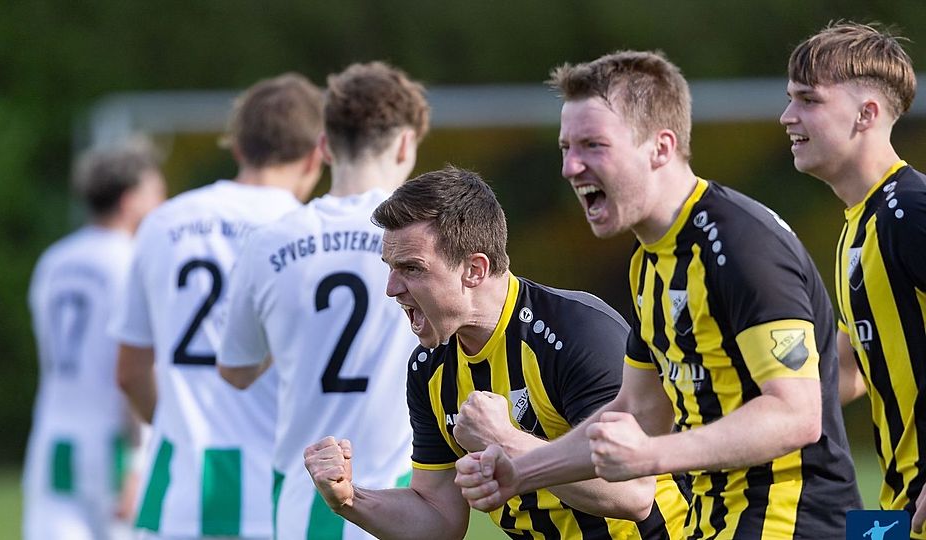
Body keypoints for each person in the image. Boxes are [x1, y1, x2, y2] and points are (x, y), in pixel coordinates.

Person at [455, 50, 863, 538]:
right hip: (713, 524)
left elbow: (795, 415)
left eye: (592, 145)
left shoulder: (739, 243)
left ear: (661, 147)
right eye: (566, 147)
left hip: (794, 525)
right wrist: (525, 470)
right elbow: (639, 409)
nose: (570, 166)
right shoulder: (649, 261)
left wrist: (651, 456)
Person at [303, 166, 687, 539]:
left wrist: (506, 441)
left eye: (412, 269)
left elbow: (634, 493)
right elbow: (439, 517)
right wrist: (351, 500)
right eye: (390, 268)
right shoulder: (430, 367)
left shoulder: (576, 333)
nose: (391, 288)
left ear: (474, 269)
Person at [216, 61, 430, 540]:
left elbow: (235, 369)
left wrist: (294, 338)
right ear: (404, 144)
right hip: (403, 501)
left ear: (325, 146)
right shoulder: (422, 240)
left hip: (301, 500)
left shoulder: (269, 242)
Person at [111, 73, 324, 538]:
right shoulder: (309, 236)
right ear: (317, 153)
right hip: (273, 496)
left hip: (175, 494)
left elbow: (128, 372)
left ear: (239, 148)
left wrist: (173, 420)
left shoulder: (162, 222)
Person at [781, 22, 926, 536]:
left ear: (867, 114)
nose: (787, 117)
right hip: (894, 513)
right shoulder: (859, 226)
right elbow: (852, 367)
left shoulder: (910, 211)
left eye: (808, 100)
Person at [25, 141, 166, 540]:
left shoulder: (53, 261)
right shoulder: (132, 261)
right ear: (129, 200)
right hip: (111, 445)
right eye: (155, 192)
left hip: (52, 438)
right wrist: (139, 462)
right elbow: (134, 367)